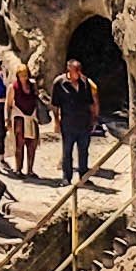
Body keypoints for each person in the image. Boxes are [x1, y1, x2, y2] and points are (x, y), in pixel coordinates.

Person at [52, 54, 100, 186]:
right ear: (69, 70)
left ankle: (84, 176)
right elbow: (55, 104)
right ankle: (66, 177)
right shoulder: (60, 83)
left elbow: (91, 102)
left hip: (84, 122)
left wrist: (94, 118)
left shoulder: (85, 83)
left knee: (84, 151)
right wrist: (56, 121)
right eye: (76, 70)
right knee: (67, 151)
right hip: (68, 122)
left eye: (79, 70)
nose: (78, 73)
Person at [8, 59, 42, 179]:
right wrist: (7, 120)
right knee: (19, 144)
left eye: (25, 75)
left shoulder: (32, 85)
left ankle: (30, 170)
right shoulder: (13, 87)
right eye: (21, 75)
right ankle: (18, 169)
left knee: (32, 145)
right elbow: (9, 104)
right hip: (19, 117)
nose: (24, 77)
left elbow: (36, 97)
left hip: (31, 117)